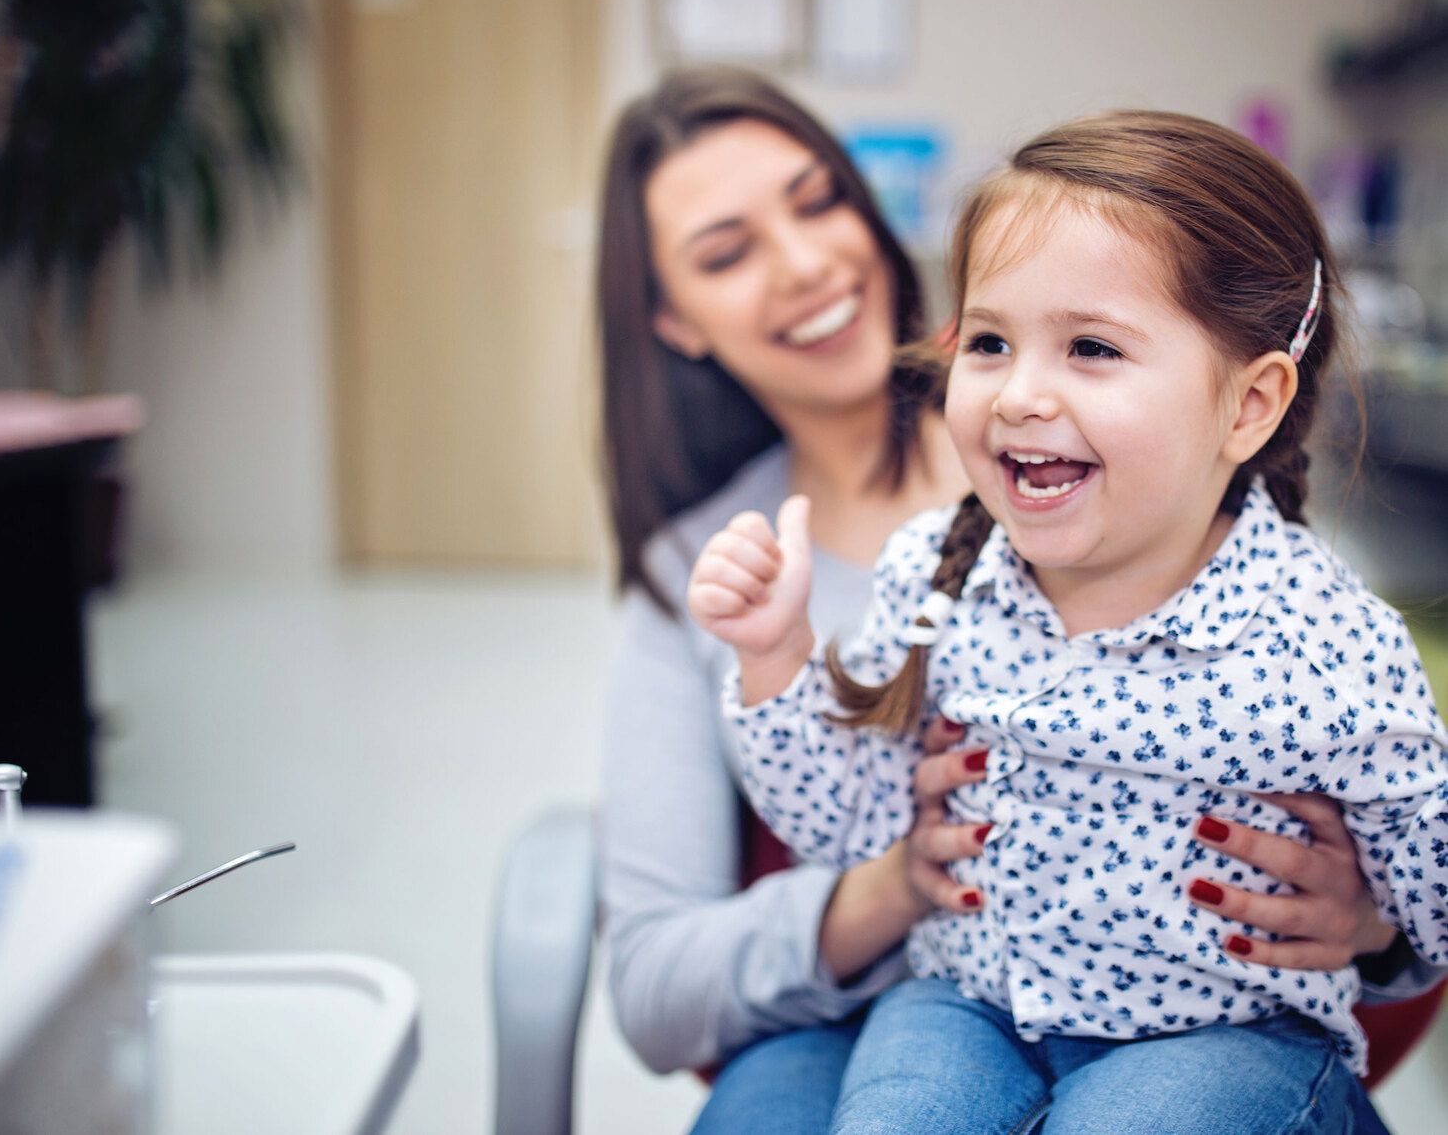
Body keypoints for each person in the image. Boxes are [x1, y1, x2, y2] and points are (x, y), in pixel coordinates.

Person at [596, 70, 1423, 1134]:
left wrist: (1370, 926)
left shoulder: (1238, 555)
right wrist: (894, 876)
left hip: (1204, 1029)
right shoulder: (757, 570)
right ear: (674, 317)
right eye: (727, 250)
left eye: (816, 201)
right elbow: (663, 977)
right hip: (930, 1008)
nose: (803, 264)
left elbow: (1399, 856)